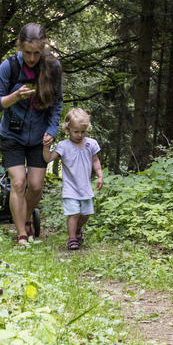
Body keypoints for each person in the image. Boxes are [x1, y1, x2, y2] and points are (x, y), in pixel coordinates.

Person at [0, 23, 63, 246]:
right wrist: (14, 97)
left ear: (43, 50)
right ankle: (21, 234)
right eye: (27, 53)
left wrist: (52, 130)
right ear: (20, 47)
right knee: (18, 183)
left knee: (36, 186)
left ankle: (25, 216)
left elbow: (57, 103)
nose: (31, 58)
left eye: (36, 53)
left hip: (39, 136)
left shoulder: (53, 67)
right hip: (12, 134)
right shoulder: (8, 67)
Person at [43, 107, 103, 250]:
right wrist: (46, 147)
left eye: (83, 131)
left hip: (85, 186)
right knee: (74, 213)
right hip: (70, 187)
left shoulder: (91, 144)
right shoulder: (63, 146)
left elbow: (95, 160)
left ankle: (77, 230)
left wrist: (100, 175)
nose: (79, 135)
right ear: (68, 129)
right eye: (76, 131)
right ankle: (72, 239)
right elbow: (48, 159)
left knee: (85, 214)